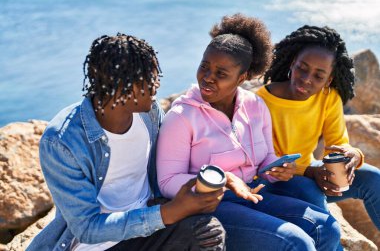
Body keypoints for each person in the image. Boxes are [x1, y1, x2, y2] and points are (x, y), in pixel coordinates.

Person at [157, 14, 341, 251]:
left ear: (242, 77)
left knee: (326, 228)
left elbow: (266, 157)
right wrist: (222, 182)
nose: (208, 77)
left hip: (255, 193)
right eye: (204, 66)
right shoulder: (182, 116)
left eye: (221, 74)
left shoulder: (255, 106)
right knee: (296, 243)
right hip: (212, 205)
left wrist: (278, 169)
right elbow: (167, 182)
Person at [27, 33, 226, 251]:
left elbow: (163, 169)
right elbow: (87, 228)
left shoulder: (148, 114)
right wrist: (169, 212)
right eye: (151, 78)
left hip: (147, 228)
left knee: (209, 234)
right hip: (96, 246)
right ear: (125, 86)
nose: (158, 84)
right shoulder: (62, 141)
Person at [256, 25, 380, 230]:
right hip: (276, 182)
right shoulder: (261, 101)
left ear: (328, 80)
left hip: (311, 172)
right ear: (293, 62)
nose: (306, 79)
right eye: (302, 68)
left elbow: (337, 145)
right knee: (314, 199)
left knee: (373, 178)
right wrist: (310, 172)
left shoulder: (329, 97)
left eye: (318, 76)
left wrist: (352, 156)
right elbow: (266, 164)